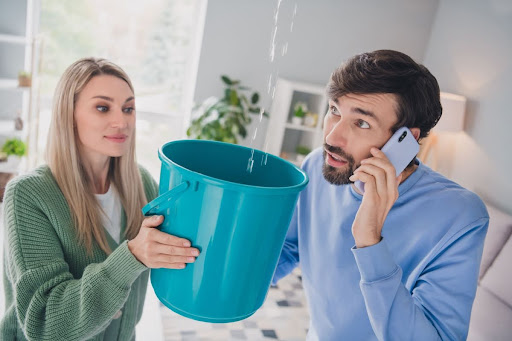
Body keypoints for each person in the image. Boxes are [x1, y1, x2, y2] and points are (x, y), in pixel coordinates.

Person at [273, 50, 489, 340]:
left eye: (361, 123)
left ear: (405, 140)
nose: (331, 138)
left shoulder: (459, 215)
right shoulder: (315, 165)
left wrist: (370, 241)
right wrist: (205, 259)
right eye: (335, 110)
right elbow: (288, 248)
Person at [1, 58, 200, 340]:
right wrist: (131, 257)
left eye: (128, 108)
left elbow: (185, 250)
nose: (122, 122)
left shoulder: (142, 184)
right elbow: (44, 325)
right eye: (103, 108)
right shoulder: (29, 195)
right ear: (68, 114)